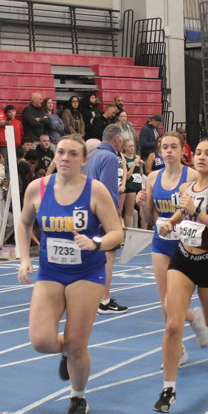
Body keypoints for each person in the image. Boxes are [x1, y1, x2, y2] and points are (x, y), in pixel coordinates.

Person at [15, 136, 124, 414]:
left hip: (86, 272)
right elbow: (24, 222)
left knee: (78, 345)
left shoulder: (95, 190)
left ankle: (78, 396)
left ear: (84, 160)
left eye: (73, 154)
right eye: (61, 152)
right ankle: (69, 349)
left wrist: (96, 243)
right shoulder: (38, 188)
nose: (65, 158)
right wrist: (24, 258)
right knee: (40, 341)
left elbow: (117, 232)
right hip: (50, 271)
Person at [153, 137, 208, 413]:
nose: (201, 157)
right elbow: (181, 214)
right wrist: (169, 224)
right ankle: (168, 389)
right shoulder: (186, 187)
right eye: (198, 152)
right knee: (172, 324)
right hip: (183, 260)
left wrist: (197, 211)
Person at [135, 132, 208, 367]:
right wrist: (141, 204)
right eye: (164, 147)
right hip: (161, 241)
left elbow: (204, 211)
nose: (168, 151)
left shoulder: (193, 176)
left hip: (186, 243)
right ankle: (178, 348)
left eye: (173, 147)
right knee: (165, 302)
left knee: (176, 302)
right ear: (159, 151)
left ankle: (195, 318)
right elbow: (147, 216)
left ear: (181, 151)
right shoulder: (152, 177)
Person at [84, 124, 128, 314]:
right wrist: (114, 216)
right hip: (101, 213)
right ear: (117, 138)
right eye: (122, 138)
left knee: (93, 256)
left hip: (88, 211)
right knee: (108, 256)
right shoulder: (110, 157)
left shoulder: (92, 155)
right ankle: (104, 300)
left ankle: (91, 297)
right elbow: (109, 190)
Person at [120, 138, 144, 228]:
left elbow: (140, 174)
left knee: (143, 208)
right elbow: (127, 176)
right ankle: (128, 231)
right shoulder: (123, 158)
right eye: (130, 146)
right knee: (129, 211)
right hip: (130, 186)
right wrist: (134, 164)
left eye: (133, 146)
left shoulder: (136, 157)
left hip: (138, 184)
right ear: (125, 147)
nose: (132, 148)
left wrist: (140, 166)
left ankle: (143, 230)